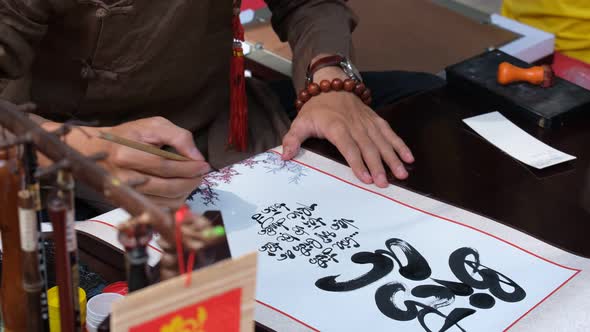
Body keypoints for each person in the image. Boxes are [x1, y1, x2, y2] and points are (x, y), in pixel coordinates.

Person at [0, 0, 443, 217]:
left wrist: (328, 77)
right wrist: (81, 150)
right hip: (72, 160)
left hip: (228, 125)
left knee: (426, 100)